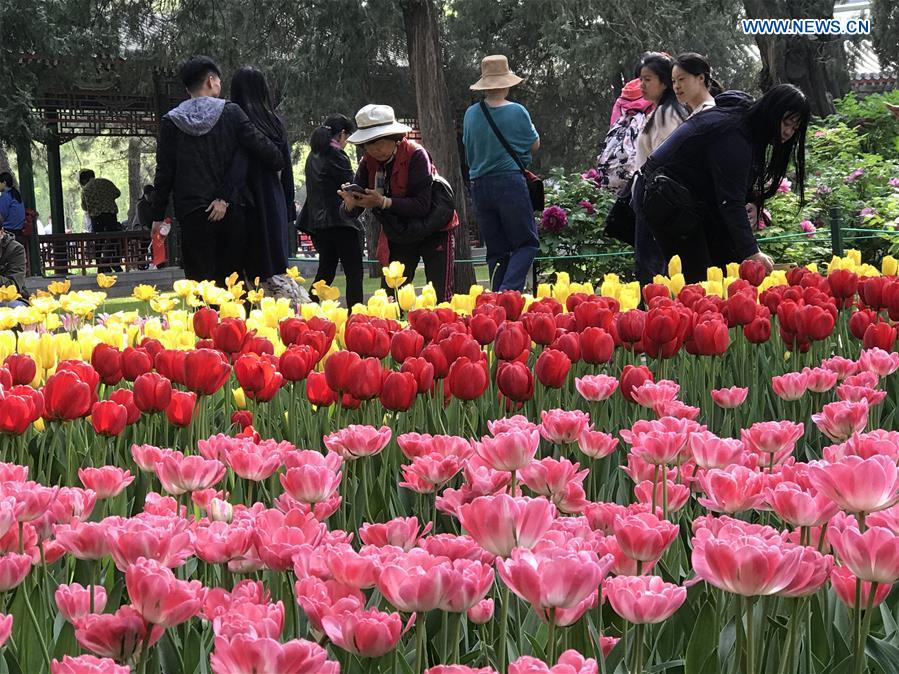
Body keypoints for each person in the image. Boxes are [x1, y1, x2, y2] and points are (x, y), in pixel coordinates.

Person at [640, 84, 810, 283]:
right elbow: (729, 201)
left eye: (794, 127)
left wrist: (754, 202)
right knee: (701, 283)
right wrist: (752, 252)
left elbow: (735, 183)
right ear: (771, 112)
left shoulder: (748, 128)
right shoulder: (733, 133)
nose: (789, 132)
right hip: (666, 200)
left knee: (725, 273)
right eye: (786, 123)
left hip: (692, 202)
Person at [149, 55, 285, 287]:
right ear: (211, 81)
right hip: (232, 212)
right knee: (233, 285)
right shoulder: (232, 113)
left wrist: (157, 215)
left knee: (200, 287)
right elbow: (271, 155)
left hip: (192, 214)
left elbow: (165, 173)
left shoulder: (171, 121)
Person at [339, 104, 458, 303]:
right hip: (401, 233)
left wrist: (383, 202)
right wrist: (350, 205)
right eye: (369, 143)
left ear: (394, 137)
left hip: (435, 230)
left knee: (440, 298)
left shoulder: (416, 154)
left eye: (380, 141)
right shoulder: (367, 162)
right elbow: (355, 207)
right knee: (391, 298)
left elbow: (422, 205)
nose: (375, 149)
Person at [223, 66, 301, 303]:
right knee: (273, 263)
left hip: (244, 199)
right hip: (272, 197)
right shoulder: (274, 122)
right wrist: (288, 206)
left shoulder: (233, 120)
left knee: (244, 267)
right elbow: (285, 167)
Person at [463, 55, 540, 292]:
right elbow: (534, 144)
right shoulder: (518, 111)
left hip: (479, 184)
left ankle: (495, 303)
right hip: (509, 183)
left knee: (496, 250)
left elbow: (468, 149)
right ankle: (507, 294)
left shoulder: (471, 114)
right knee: (526, 243)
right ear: (507, 83)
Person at [631, 52, 687, 284]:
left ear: (664, 81)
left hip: (657, 202)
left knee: (652, 269)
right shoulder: (659, 112)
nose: (641, 85)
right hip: (652, 201)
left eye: (648, 79)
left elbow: (669, 162)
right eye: (640, 79)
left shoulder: (667, 115)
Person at [301, 114, 363, 308]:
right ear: (342, 134)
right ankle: (356, 315)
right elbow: (350, 186)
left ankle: (308, 309)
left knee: (325, 271)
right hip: (340, 222)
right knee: (354, 272)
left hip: (319, 225)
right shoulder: (336, 155)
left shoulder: (313, 156)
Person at [596, 78, 654, 191]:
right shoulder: (652, 95)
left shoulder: (623, 97)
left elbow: (613, 125)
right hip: (638, 165)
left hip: (613, 164)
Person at [672, 53, 719, 117]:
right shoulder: (697, 114)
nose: (676, 86)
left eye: (681, 79)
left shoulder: (710, 113)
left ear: (701, 78)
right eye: (673, 81)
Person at [0, 229, 27, 306]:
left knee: (15, 306)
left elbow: (14, 286)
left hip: (8, 298)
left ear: (1, 232)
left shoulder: (15, 249)